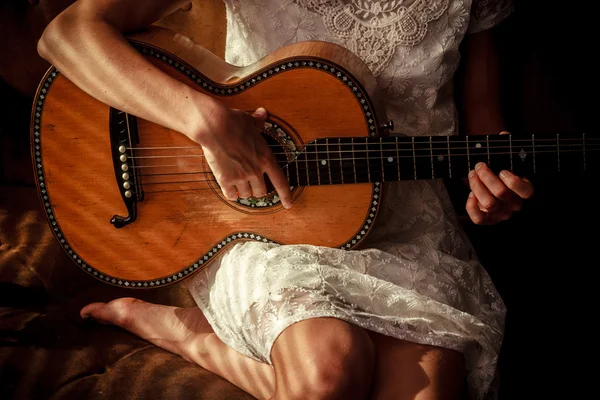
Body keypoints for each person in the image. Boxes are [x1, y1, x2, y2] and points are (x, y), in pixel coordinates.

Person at [37, 0, 534, 399]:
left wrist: (491, 189)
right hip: (266, 218)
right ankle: (189, 334)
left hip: (408, 225)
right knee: (326, 375)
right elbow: (66, 34)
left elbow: (485, 131)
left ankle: (194, 335)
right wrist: (204, 120)